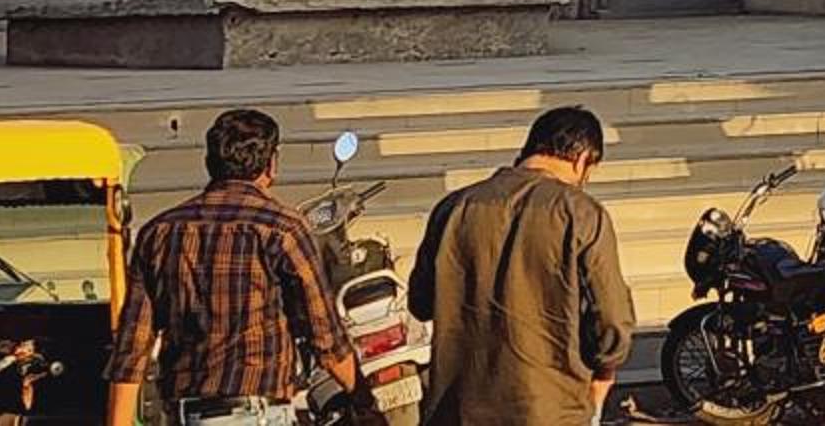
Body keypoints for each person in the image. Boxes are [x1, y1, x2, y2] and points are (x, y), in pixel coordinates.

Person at [105, 106, 363, 426]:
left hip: (186, 414)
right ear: (271, 164)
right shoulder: (283, 228)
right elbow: (325, 337)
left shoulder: (159, 232)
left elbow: (132, 348)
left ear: (210, 162)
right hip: (257, 413)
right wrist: (365, 403)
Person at [407, 106, 633, 426]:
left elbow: (420, 303)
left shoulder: (453, 208)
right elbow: (611, 317)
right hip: (550, 409)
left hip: (458, 408)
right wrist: (605, 371)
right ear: (582, 159)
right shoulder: (581, 213)